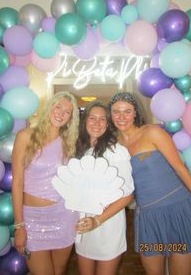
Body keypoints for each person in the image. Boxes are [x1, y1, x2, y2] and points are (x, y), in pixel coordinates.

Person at [108, 92, 191, 275]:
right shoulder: (114, 145)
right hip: (148, 218)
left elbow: (180, 169)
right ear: (110, 114)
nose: (121, 117)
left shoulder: (152, 132)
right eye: (116, 111)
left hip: (179, 211)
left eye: (127, 111)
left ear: (135, 112)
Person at [12, 92, 80, 275]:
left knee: (59, 271)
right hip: (32, 219)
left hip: (64, 216)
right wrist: (19, 226)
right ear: (49, 107)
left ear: (70, 119)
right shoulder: (25, 136)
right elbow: (17, 183)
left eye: (67, 112)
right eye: (58, 106)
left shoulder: (69, 143)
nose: (61, 113)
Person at [75, 100, 134, 275]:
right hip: (83, 223)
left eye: (102, 119)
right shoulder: (80, 149)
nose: (97, 123)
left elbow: (127, 196)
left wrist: (97, 220)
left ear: (108, 124)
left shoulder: (116, 151)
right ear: (84, 121)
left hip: (107, 224)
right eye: (92, 118)